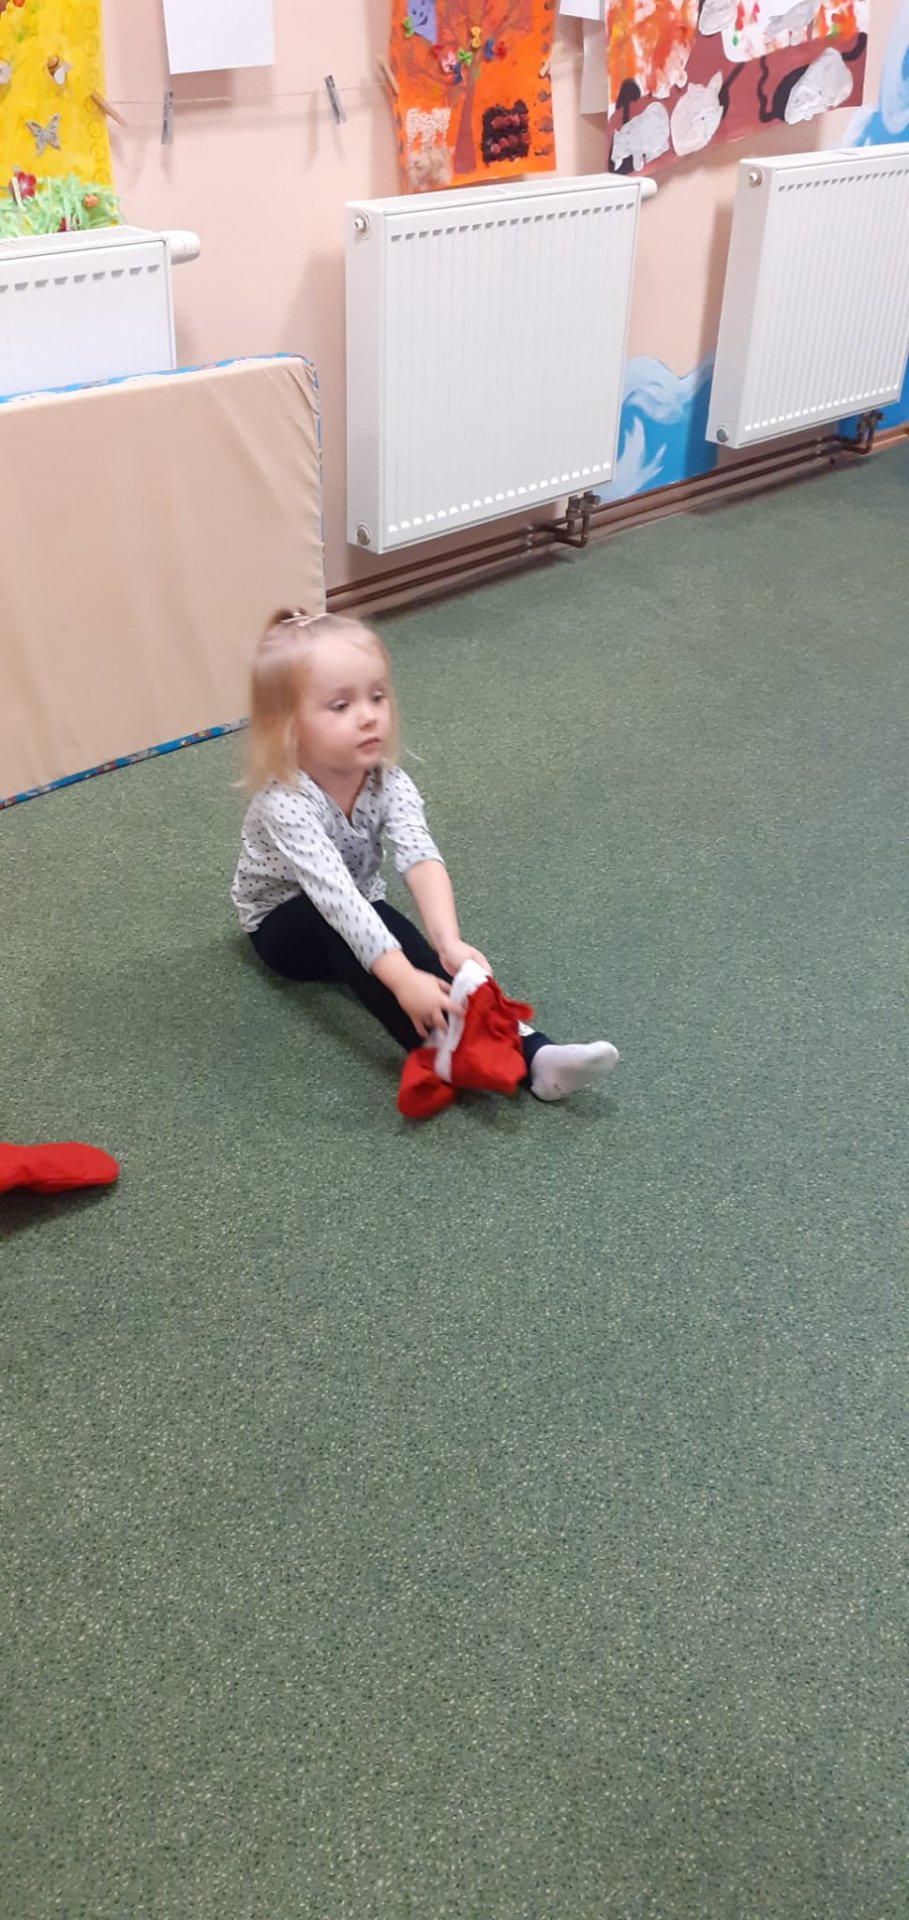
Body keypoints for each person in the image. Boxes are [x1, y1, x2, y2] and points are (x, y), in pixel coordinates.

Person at [231, 609, 619, 1103]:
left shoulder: (387, 778)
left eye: (377, 696)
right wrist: (402, 980)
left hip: (359, 902)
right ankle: (441, 1049)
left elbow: (420, 856)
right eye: (341, 705)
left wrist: (447, 940)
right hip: (281, 925)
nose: (369, 715)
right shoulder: (284, 801)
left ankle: (535, 1054)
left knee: (411, 949)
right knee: (369, 947)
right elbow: (336, 900)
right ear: (287, 725)